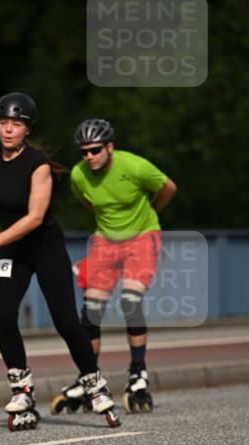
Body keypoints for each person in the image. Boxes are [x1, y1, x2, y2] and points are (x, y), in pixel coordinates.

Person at [0, 92, 119, 430]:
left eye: (16, 125)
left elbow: (35, 218)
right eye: (3, 123)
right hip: (13, 251)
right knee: (4, 315)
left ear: (28, 130)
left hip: (44, 247)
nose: (8, 130)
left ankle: (94, 382)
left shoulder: (38, 165)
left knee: (66, 321)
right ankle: (22, 389)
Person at [69, 117, 177, 412]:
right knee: (90, 312)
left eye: (95, 150)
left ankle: (137, 372)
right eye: (83, 152)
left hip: (142, 236)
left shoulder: (135, 166)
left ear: (110, 147)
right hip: (106, 240)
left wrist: (149, 214)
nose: (88, 156)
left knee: (130, 302)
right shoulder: (78, 175)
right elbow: (87, 202)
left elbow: (168, 187)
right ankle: (89, 375)